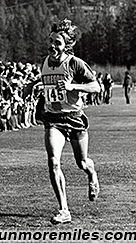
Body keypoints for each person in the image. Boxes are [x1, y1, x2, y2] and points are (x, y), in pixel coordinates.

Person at [41, 18, 100, 224]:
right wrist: (31, 86)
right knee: (53, 161)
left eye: (57, 43)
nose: (52, 46)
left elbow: (96, 87)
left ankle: (92, 174)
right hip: (53, 120)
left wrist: (73, 87)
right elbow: (45, 80)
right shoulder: (46, 62)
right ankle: (64, 209)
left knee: (82, 163)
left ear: (66, 45)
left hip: (74, 119)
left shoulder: (75, 64)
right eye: (51, 41)